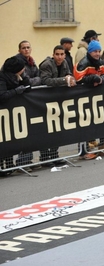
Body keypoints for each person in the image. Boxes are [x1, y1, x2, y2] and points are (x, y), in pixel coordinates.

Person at [74, 40, 104, 159]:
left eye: (99, 51)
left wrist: (101, 80)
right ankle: (83, 151)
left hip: (97, 97)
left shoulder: (100, 61)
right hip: (84, 98)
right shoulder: (83, 63)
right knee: (84, 124)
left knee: (102, 119)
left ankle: (102, 146)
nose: (97, 54)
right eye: (95, 51)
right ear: (90, 52)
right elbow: (79, 79)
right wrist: (93, 79)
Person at [39, 45, 77, 167]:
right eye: (57, 54)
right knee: (46, 129)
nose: (60, 57)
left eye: (62, 54)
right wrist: (64, 81)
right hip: (45, 101)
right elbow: (46, 81)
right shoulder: (47, 65)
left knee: (58, 129)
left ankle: (54, 155)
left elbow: (69, 74)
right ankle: (44, 157)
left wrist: (71, 79)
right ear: (53, 54)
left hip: (59, 101)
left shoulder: (65, 62)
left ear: (64, 55)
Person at [0, 56, 30, 176]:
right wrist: (16, 91)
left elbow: (28, 87)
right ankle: (2, 167)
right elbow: (1, 96)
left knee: (11, 139)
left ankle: (9, 164)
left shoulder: (15, 76)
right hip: (3, 113)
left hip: (11, 113)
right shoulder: (2, 77)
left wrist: (22, 78)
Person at [15, 40, 41, 171]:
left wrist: (31, 82)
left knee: (32, 131)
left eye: (28, 47)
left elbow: (38, 77)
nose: (26, 50)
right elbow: (22, 80)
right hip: (20, 100)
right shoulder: (16, 62)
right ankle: (22, 162)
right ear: (19, 50)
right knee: (23, 132)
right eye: (23, 48)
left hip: (30, 99)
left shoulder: (32, 62)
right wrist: (31, 82)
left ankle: (28, 160)